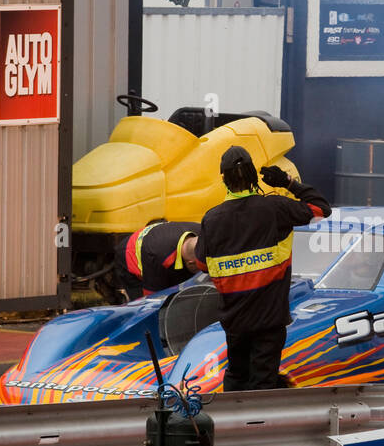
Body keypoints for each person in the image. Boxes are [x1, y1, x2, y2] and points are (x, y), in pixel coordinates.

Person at [195, 146, 330, 391]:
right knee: (262, 385)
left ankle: (228, 427)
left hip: (234, 322)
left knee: (236, 377)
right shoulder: (275, 208)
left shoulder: (212, 218)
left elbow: (203, 263)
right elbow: (321, 208)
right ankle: (256, 428)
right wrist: (287, 182)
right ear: (254, 177)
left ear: (224, 179)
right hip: (269, 321)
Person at [112, 221, 203, 301]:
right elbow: (152, 301)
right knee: (142, 306)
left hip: (158, 243)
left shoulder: (203, 233)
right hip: (129, 255)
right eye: (202, 267)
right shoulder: (158, 259)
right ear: (191, 263)